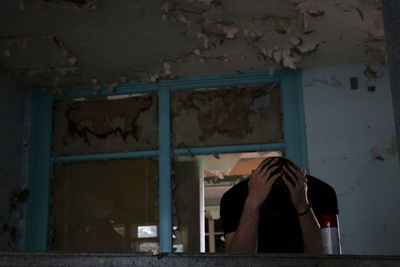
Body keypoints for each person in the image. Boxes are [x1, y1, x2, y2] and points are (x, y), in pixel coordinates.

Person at [220, 156, 338, 253]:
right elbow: (238, 261)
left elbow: (328, 257)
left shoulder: (322, 192)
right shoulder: (234, 197)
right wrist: (252, 203)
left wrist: (302, 205)